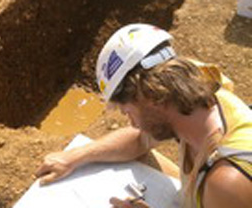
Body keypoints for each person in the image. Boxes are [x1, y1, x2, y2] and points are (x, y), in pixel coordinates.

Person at [36, 23, 252, 208]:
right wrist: (74, 158)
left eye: (129, 112)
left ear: (153, 98)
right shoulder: (192, 88)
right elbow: (139, 140)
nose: (133, 124)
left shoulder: (226, 183)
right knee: (137, 155)